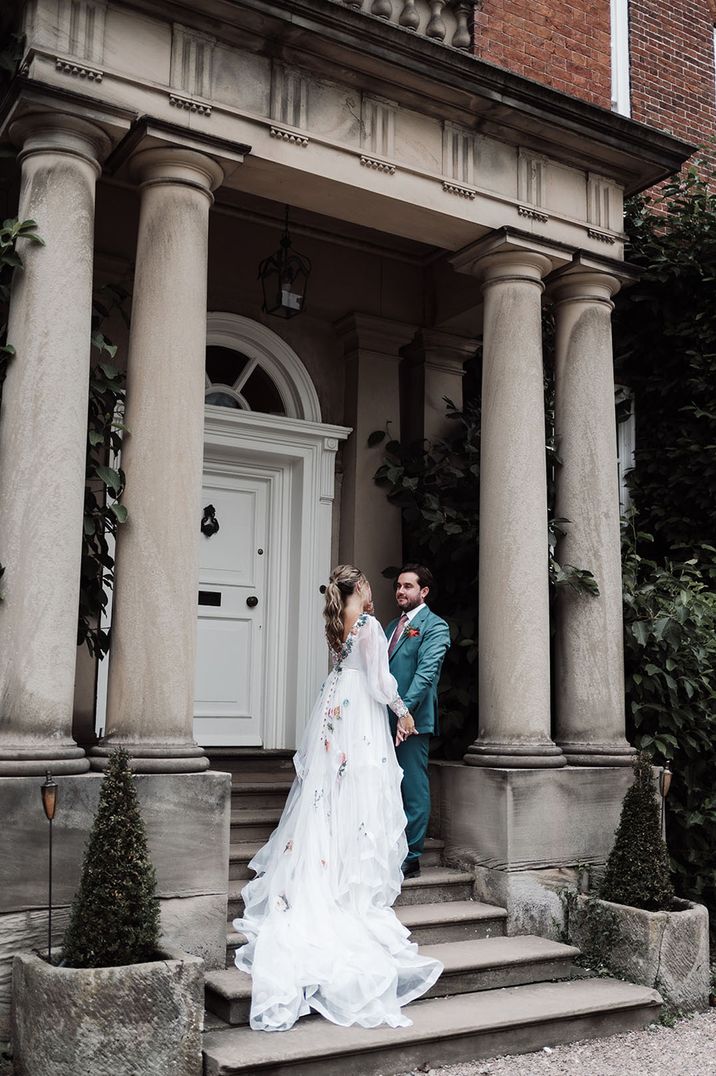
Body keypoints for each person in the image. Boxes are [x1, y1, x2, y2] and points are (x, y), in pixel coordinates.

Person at [233, 564, 443, 1033]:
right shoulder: (368, 625)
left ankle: (326, 862)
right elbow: (379, 682)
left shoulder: (336, 624)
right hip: (360, 715)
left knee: (328, 792)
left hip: (334, 710)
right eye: (369, 586)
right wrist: (403, 711)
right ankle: (348, 872)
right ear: (360, 589)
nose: (376, 592)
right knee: (360, 790)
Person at [385, 565, 451, 879]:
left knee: (412, 786)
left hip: (411, 721)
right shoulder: (389, 628)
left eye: (408, 586)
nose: (401, 591)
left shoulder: (435, 627)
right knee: (385, 785)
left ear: (423, 591)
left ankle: (411, 856)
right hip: (381, 720)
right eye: (399, 586)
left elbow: (425, 676)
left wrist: (403, 712)